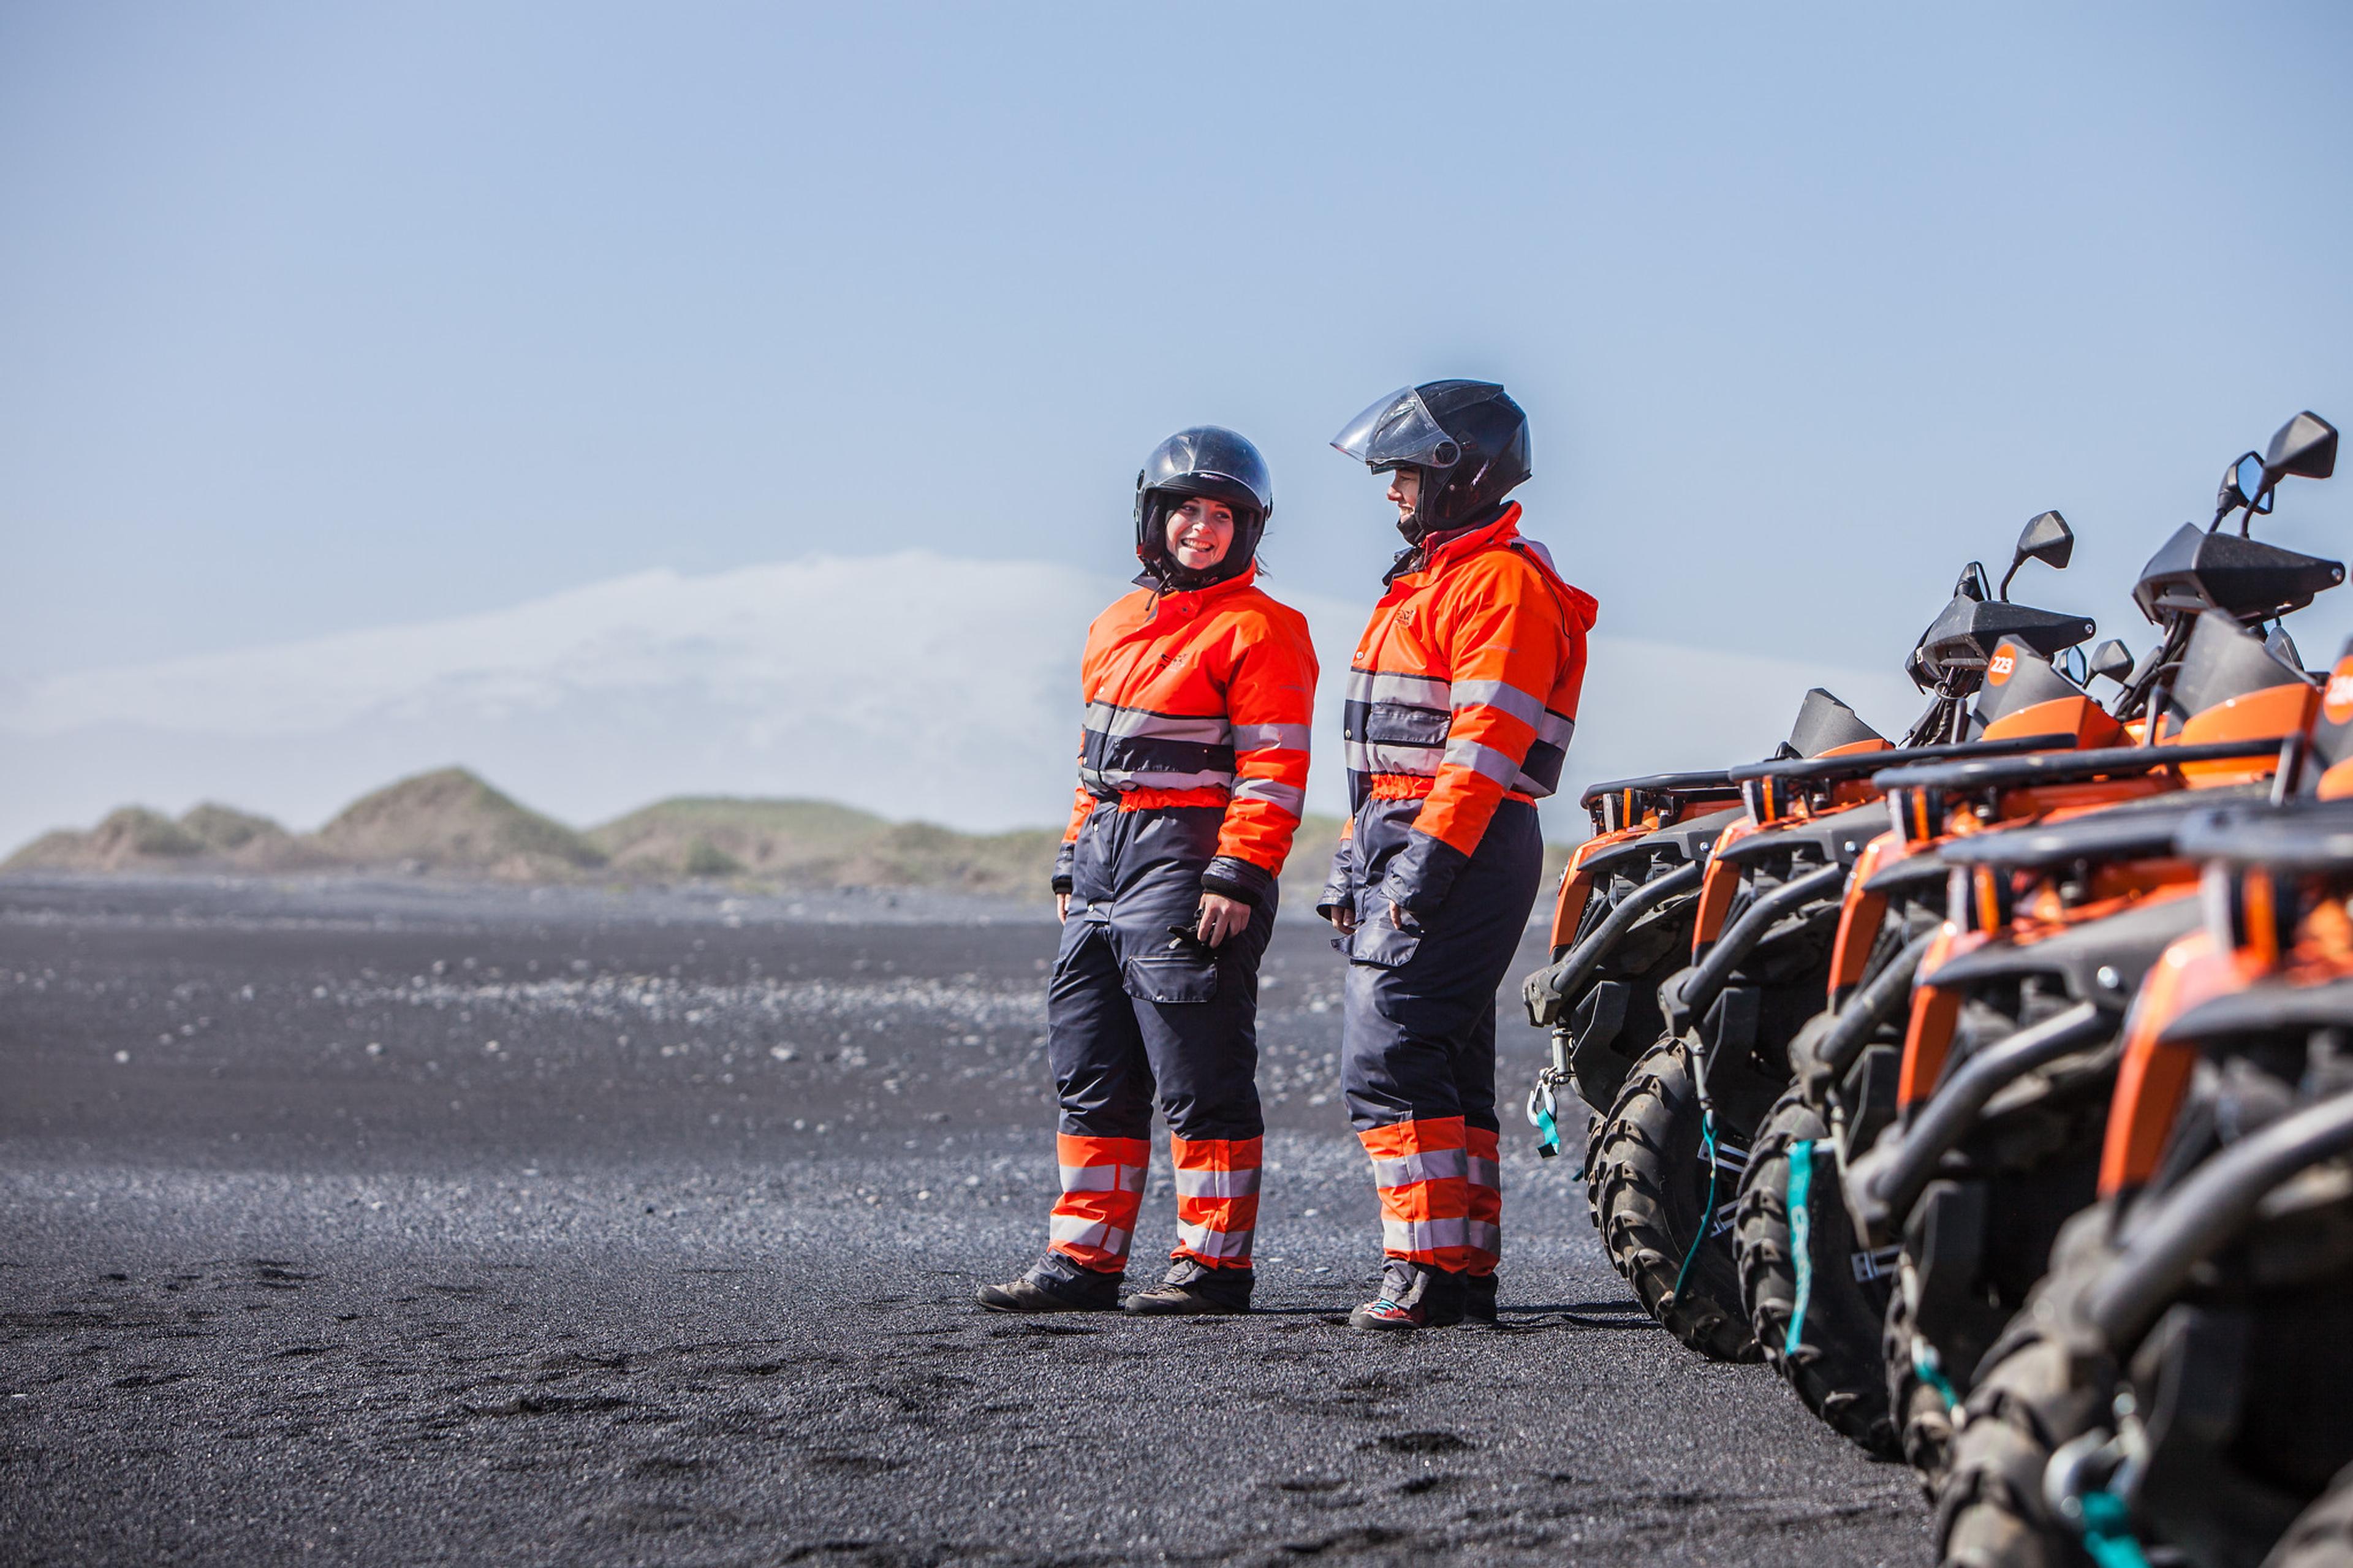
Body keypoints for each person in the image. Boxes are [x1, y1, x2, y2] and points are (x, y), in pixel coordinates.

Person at [979, 426, 1319, 1316]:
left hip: (1191, 856)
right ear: (1153, 517)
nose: (1201, 531)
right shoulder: (1114, 623)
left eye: (1221, 517)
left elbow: (1275, 767)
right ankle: (1082, 1261)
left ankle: (1212, 1267)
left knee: (1197, 1071)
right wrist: (1070, 860)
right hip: (1102, 863)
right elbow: (1095, 764)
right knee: (1090, 1066)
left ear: (1247, 532)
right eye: (1186, 513)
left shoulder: (1265, 630)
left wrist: (1239, 872)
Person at [1319, 381, 1596, 1330]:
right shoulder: (1436, 578)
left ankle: (1425, 1269)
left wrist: (1421, 868)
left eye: (1403, 471)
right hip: (1420, 831)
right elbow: (1386, 755)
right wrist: (1354, 860)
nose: (1392, 491)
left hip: (1459, 837)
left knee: (1389, 1054)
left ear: (1456, 471)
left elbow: (1481, 749)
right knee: (1443, 1056)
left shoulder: (1498, 583)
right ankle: (1463, 1269)